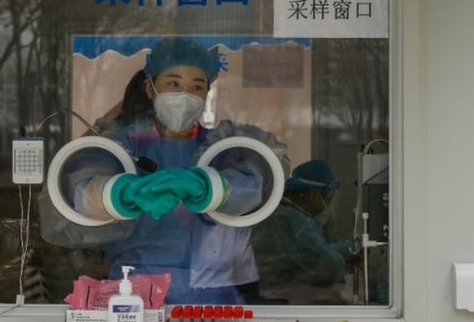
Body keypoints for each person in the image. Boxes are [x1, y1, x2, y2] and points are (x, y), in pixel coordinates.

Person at [39, 37, 289, 304]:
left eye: (197, 86)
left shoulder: (226, 144)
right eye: (173, 83)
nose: (185, 94)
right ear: (150, 88)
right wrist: (120, 193)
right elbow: (74, 192)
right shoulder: (122, 145)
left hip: (215, 293)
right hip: (134, 292)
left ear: (207, 94)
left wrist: (214, 187)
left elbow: (268, 170)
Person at [251, 160, 352, 305]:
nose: (328, 205)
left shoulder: (282, 213)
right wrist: (348, 250)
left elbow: (308, 253)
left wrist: (346, 249)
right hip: (279, 300)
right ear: (312, 195)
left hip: (272, 297)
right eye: (328, 198)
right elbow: (330, 265)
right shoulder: (294, 221)